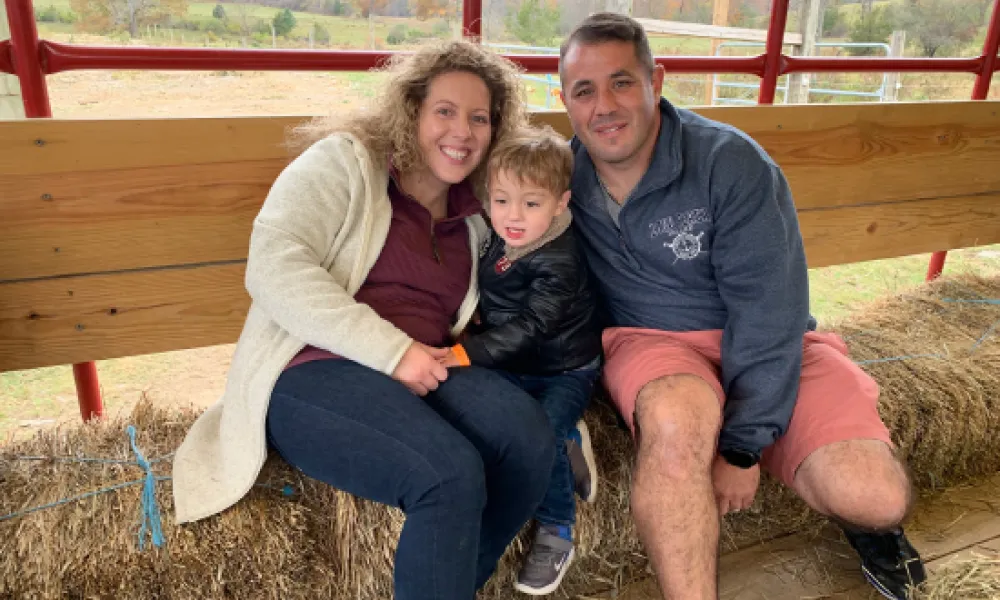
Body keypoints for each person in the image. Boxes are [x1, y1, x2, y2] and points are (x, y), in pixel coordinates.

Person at [557, 12, 927, 600]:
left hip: (764, 337)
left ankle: (871, 530)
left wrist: (743, 444)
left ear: (658, 80)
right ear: (566, 102)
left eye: (622, 82)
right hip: (653, 342)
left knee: (874, 495)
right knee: (677, 423)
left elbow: (769, 310)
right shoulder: (558, 178)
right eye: (585, 90)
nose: (604, 105)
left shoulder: (731, 164)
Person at [171, 41, 558, 600]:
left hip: (426, 368)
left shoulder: (481, 215)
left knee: (528, 440)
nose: (463, 131)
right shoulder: (344, 163)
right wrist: (390, 352)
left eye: (480, 118)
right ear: (411, 112)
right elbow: (273, 266)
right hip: (313, 367)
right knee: (447, 475)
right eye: (445, 111)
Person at [441, 126, 603, 595]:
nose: (513, 216)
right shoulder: (502, 236)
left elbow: (535, 325)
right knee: (484, 424)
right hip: (516, 360)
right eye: (501, 201)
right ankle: (572, 437)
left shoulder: (559, 260)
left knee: (540, 435)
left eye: (531, 204)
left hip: (563, 368)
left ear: (560, 203)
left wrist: (466, 352)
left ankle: (557, 528)